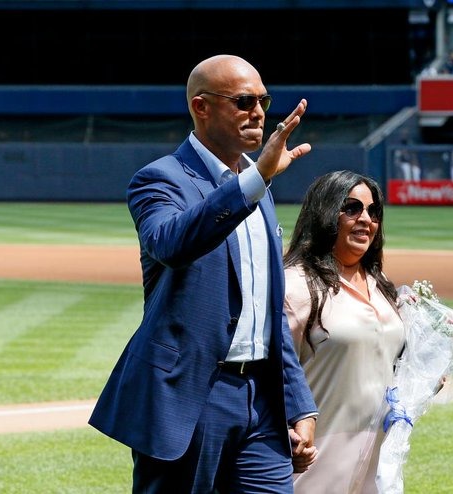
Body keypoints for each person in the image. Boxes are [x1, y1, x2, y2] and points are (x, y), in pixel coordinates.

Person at [88, 54, 319, 494]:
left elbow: (266, 311)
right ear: (201, 107)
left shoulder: (258, 185)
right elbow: (172, 244)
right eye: (244, 101)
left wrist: (299, 403)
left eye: (264, 100)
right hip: (191, 397)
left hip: (262, 401)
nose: (259, 112)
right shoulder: (160, 179)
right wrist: (256, 182)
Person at [282, 170, 406, 493]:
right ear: (324, 212)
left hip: (377, 467)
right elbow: (269, 373)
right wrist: (287, 432)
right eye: (351, 208)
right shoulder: (296, 286)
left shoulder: (382, 287)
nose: (366, 219)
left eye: (373, 211)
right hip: (316, 462)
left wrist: (424, 375)